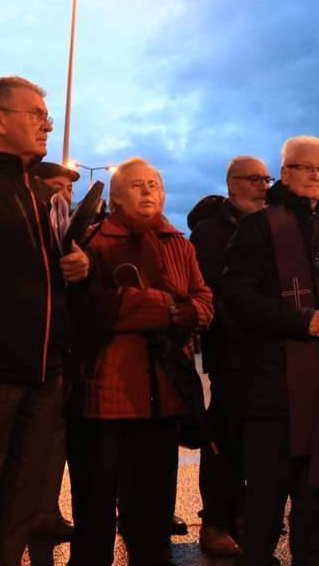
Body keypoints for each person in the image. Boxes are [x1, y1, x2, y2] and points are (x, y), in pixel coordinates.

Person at [222, 135, 319, 566]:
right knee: (267, 488)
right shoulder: (257, 226)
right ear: (285, 173)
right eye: (307, 168)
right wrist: (303, 322)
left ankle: (313, 554)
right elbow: (236, 296)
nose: (316, 176)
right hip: (272, 384)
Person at [66, 157, 213, 566]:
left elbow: (204, 302)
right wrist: (166, 307)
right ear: (115, 197)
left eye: (154, 184)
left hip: (163, 397)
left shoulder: (179, 244)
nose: (149, 191)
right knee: (95, 508)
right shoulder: (94, 243)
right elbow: (94, 310)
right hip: (104, 395)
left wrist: (177, 312)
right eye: (137, 185)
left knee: (153, 510)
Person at [0, 75, 90, 565]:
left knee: (23, 502)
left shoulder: (38, 191)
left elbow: (50, 269)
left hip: (45, 370)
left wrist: (77, 264)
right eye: (35, 114)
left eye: (47, 116)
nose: (47, 124)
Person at [187, 155, 272, 557]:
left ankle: (247, 518)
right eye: (254, 179)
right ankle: (216, 521)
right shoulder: (209, 231)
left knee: (260, 443)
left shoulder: (270, 224)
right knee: (224, 438)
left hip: (270, 348)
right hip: (232, 349)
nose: (263, 186)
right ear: (232, 182)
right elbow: (209, 287)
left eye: (266, 178)